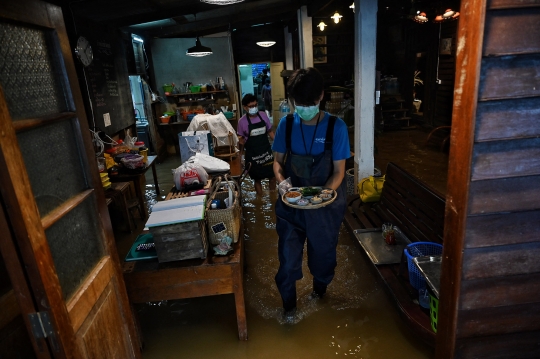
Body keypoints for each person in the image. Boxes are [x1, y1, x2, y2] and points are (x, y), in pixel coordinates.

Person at [272, 67, 350, 320]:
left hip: (325, 208)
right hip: (291, 205)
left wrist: (322, 196)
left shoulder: (335, 128)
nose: (304, 108)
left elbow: (339, 171)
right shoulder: (286, 124)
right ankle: (289, 311)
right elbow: (277, 162)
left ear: (321, 97)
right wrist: (282, 183)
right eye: (299, 104)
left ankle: (319, 296)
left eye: (310, 103)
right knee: (287, 260)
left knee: (323, 258)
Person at [237, 93, 276, 195]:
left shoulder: (263, 115)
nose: (254, 108)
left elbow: (270, 132)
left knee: (272, 177)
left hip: (266, 153)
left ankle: (272, 197)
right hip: (252, 155)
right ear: (245, 107)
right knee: (257, 179)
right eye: (251, 106)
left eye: (255, 105)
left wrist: (279, 146)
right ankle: (260, 199)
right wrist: (240, 157)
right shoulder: (242, 122)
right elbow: (241, 141)